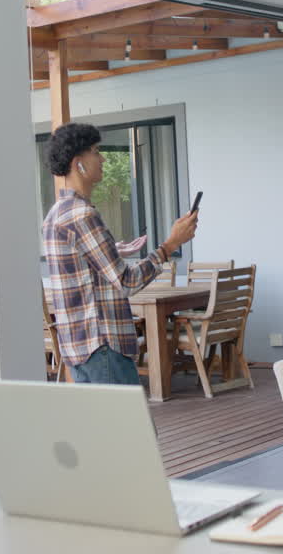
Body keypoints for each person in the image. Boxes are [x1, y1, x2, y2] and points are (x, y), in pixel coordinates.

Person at [42, 122, 199, 385]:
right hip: (103, 345)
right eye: (96, 151)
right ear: (79, 164)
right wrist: (170, 245)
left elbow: (80, 268)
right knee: (123, 415)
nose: (102, 159)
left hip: (78, 347)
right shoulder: (83, 215)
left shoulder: (55, 214)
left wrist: (112, 251)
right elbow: (127, 282)